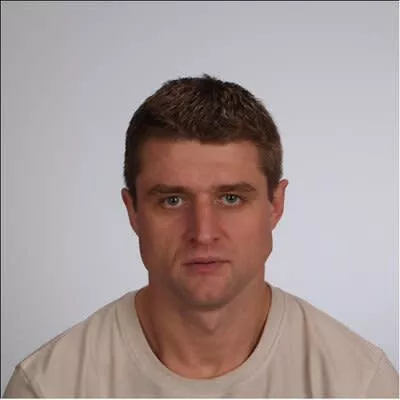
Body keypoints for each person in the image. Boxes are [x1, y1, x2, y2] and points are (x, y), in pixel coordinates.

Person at [4, 75, 399, 398]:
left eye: (231, 198)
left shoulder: (359, 384)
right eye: (172, 200)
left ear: (275, 205)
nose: (203, 232)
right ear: (133, 210)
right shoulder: (48, 387)